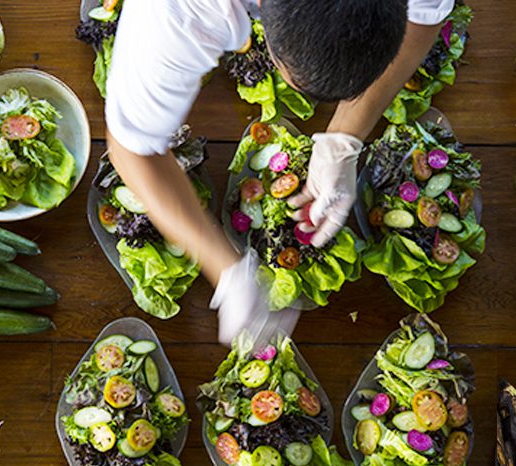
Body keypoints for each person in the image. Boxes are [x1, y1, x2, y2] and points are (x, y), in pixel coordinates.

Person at [104, 0, 453, 345]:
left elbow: (425, 19)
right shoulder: (176, 12)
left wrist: (343, 139)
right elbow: (132, 150)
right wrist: (227, 270)